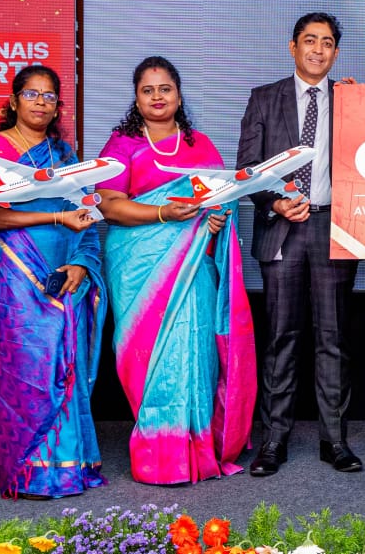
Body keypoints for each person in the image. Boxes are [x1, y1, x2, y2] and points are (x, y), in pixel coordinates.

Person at [96, 56, 257, 485]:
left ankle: (196, 448)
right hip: (140, 269)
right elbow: (109, 205)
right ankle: (160, 451)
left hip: (193, 266)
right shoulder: (122, 145)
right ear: (136, 99)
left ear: (179, 95)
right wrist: (164, 214)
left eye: (165, 89)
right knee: (151, 359)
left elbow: (222, 200)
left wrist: (216, 221)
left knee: (196, 350)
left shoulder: (199, 145)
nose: (157, 97)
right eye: (147, 90)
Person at [237, 12, 362, 476]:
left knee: (333, 338)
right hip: (282, 226)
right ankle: (274, 441)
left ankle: (336, 441)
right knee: (280, 337)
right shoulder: (264, 98)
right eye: (310, 41)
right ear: (293, 47)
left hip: (333, 227)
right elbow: (247, 169)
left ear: (335, 52)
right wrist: (274, 202)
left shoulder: (351, 100)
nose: (318, 50)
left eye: (327, 43)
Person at [0, 65, 107, 499]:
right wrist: (55, 217)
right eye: (32, 94)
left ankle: (66, 468)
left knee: (62, 367)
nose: (41, 103)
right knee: (25, 366)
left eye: (49, 96)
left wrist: (81, 264)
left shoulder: (65, 155)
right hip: (15, 274)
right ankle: (25, 468)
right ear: (14, 101)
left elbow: (86, 214)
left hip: (64, 276)